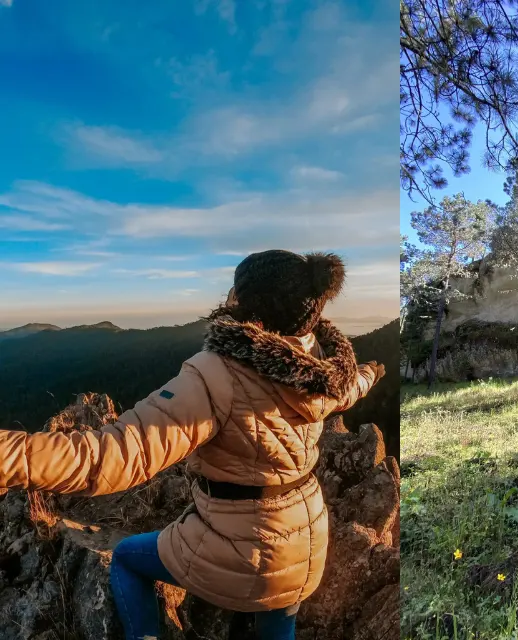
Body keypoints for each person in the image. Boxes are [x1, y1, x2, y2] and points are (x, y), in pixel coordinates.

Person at [0, 250, 385, 640]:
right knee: (280, 608)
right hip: (307, 544)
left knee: (126, 559)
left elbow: (109, 456)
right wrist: (370, 372)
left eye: (236, 290)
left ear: (250, 304)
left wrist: (7, 457)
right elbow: (349, 389)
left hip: (245, 550)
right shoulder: (325, 365)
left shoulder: (219, 371)